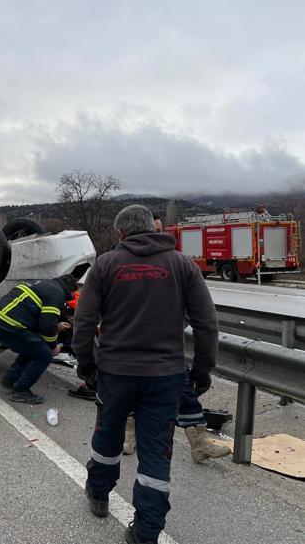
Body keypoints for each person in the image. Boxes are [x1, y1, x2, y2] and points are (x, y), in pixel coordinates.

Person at [72, 205, 218, 544]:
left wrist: (86, 363)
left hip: (115, 373)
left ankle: (98, 494)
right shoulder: (182, 265)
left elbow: (84, 321)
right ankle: (147, 530)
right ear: (154, 228)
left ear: (121, 234)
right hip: (165, 377)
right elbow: (207, 323)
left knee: (107, 437)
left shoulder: (106, 265)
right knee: (156, 450)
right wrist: (202, 369)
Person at [121, 213, 230, 463]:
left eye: (160, 231)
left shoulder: (177, 265)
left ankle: (199, 444)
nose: (156, 236)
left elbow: (197, 312)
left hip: (165, 349)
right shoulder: (123, 264)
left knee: (185, 393)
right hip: (129, 349)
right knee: (130, 394)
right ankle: (129, 436)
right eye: (153, 230)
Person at [0, 274, 78, 404]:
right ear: (69, 290)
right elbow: (47, 327)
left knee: (34, 348)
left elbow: (34, 316)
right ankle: (20, 391)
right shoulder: (57, 293)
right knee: (44, 355)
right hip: (9, 325)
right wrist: (54, 347)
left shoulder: (44, 283)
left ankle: (11, 380)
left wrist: (55, 327)